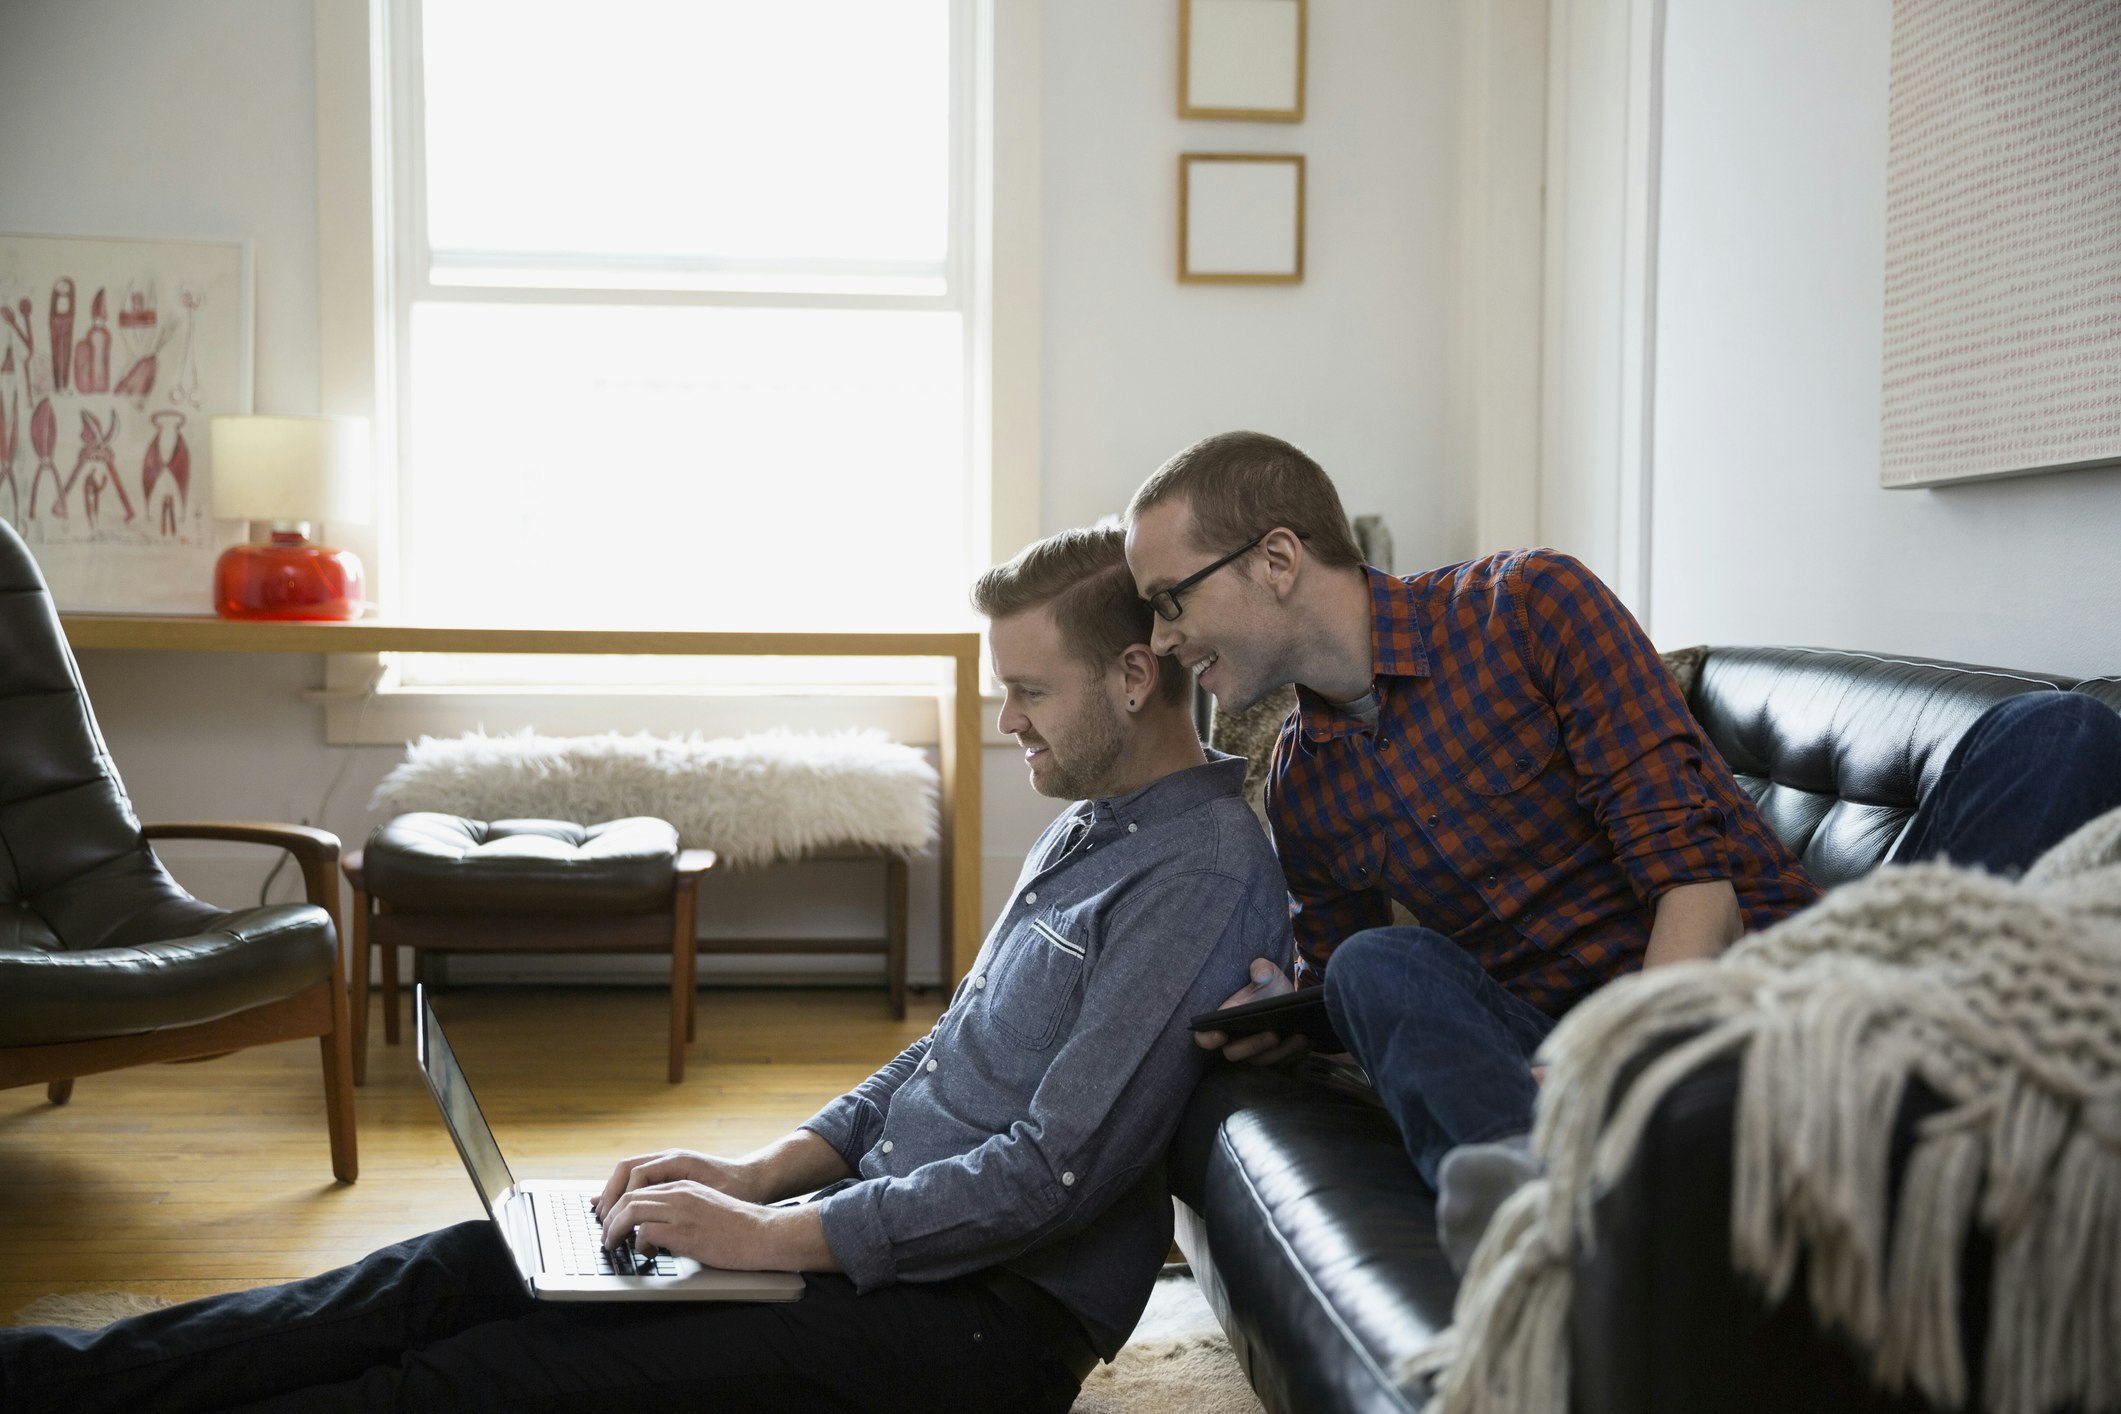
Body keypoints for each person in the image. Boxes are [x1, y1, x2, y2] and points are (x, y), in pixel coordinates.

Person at [0, 526, 1291, 1414]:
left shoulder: (1197, 869)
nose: (1002, 717)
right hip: (880, 1240)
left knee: (488, 1379)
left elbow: (1044, 1174)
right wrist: (753, 1174)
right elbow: (945, 1055)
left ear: (1134, 676)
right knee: (454, 1268)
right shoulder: (1090, 821)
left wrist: (775, 1237)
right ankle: (47, 1375)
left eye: (1026, 688)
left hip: (976, 1323)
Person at [1124, 429, 2121, 1269]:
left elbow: (1702, 896)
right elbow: (1353, 982)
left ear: (1279, 560)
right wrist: (1288, 1015)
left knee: (2059, 733)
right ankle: (1553, 1223)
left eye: (1171, 599)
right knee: (1381, 965)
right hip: (1555, 1065)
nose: (1164, 639)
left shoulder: (1528, 608)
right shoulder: (1307, 779)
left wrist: (1616, 1070)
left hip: (1775, 992)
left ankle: (1839, 1114)